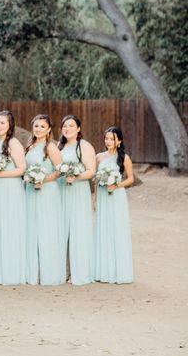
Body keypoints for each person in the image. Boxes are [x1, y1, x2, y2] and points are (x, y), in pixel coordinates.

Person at [0, 110, 27, 285]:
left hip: (10, 188)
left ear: (10, 125)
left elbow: (21, 168)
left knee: (9, 226)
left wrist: (0, 174)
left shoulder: (14, 143)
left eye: (2, 122)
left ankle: (11, 272)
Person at [25, 114, 66, 286]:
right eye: (36, 126)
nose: (38, 129)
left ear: (49, 129)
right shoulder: (29, 146)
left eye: (42, 126)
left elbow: (61, 170)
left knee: (46, 229)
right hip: (31, 191)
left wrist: (43, 179)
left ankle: (50, 274)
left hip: (47, 191)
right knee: (32, 229)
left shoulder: (50, 147)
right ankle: (32, 272)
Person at [58, 115, 96, 285]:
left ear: (78, 129)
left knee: (78, 231)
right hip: (62, 191)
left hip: (79, 192)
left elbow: (91, 171)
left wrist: (76, 176)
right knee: (63, 231)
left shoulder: (84, 146)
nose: (67, 129)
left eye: (71, 126)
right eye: (65, 126)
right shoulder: (60, 147)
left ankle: (79, 272)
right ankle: (64, 271)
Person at [94, 126, 134, 283]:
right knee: (103, 229)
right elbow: (96, 180)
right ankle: (104, 272)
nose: (109, 141)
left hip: (117, 196)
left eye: (112, 139)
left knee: (117, 230)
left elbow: (130, 179)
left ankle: (119, 272)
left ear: (119, 141)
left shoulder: (124, 158)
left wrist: (116, 185)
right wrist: (95, 199)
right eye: (107, 138)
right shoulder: (99, 157)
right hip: (103, 196)